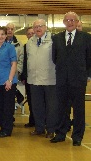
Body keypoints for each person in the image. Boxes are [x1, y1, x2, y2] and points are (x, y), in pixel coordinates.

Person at [51, 11, 91, 146]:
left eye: (72, 20)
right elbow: (55, 58)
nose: (70, 22)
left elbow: (89, 59)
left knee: (79, 109)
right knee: (61, 108)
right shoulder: (57, 38)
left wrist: (87, 75)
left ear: (77, 22)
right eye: (67, 20)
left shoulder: (86, 38)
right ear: (63, 22)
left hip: (79, 79)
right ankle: (61, 133)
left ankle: (78, 136)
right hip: (62, 79)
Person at [26, 19, 57, 139]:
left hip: (50, 79)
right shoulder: (30, 42)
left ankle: (51, 129)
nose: (38, 29)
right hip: (34, 79)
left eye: (40, 26)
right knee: (36, 105)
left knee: (51, 106)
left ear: (46, 27)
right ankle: (39, 128)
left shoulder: (53, 40)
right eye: (35, 27)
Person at [0, 26, 17, 137]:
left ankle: (7, 129)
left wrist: (10, 80)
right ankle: (2, 128)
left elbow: (14, 64)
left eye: (2, 34)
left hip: (8, 82)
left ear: (6, 36)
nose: (0, 36)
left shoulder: (10, 47)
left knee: (7, 107)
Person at [6, 23, 24, 107]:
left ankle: (10, 116)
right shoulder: (0, 41)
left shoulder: (19, 44)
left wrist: (17, 71)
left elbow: (21, 59)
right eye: (8, 28)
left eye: (11, 29)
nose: (9, 30)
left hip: (14, 75)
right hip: (1, 74)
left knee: (10, 97)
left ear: (14, 30)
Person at [20, 27, 35, 128]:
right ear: (27, 35)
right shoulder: (25, 47)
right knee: (30, 101)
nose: (31, 35)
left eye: (32, 33)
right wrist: (23, 76)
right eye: (29, 34)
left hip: (41, 78)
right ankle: (32, 120)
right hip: (29, 78)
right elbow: (23, 62)